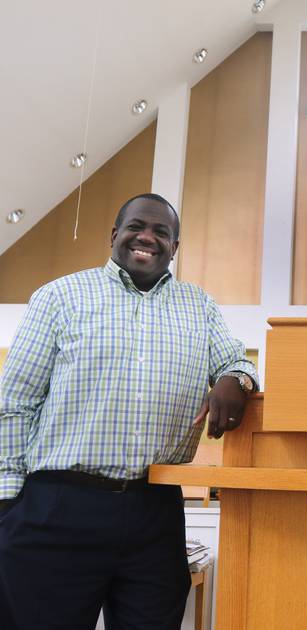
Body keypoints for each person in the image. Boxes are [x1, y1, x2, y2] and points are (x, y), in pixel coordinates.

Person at [0, 193, 258, 629]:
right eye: (137, 226)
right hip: (57, 505)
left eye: (162, 232)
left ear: (174, 248)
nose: (147, 237)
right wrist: (8, 505)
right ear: (114, 235)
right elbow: (14, 402)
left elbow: (237, 360)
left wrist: (237, 380)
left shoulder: (200, 306)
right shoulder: (60, 297)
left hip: (153, 510)